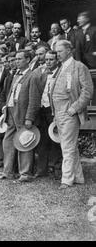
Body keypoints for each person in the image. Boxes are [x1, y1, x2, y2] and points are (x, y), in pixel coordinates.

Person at [50, 40, 93, 189]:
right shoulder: (59, 68)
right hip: (59, 112)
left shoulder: (79, 67)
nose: (57, 54)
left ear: (69, 51)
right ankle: (78, 177)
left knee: (67, 147)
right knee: (69, 146)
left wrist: (75, 108)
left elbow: (87, 91)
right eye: (56, 52)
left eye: (60, 51)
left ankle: (66, 180)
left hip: (70, 112)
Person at [0, 50, 38, 182]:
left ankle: (25, 173)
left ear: (28, 60)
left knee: (25, 142)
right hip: (11, 113)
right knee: (7, 141)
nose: (16, 61)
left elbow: (34, 99)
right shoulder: (15, 75)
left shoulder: (32, 76)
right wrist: (6, 110)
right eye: (16, 59)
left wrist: (29, 118)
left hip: (23, 114)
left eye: (20, 59)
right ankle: (8, 171)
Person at [29, 51, 62, 179]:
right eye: (46, 59)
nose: (48, 62)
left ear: (57, 60)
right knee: (42, 140)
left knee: (55, 140)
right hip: (42, 110)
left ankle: (56, 169)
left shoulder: (60, 73)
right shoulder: (41, 73)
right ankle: (42, 169)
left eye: (51, 59)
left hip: (53, 111)